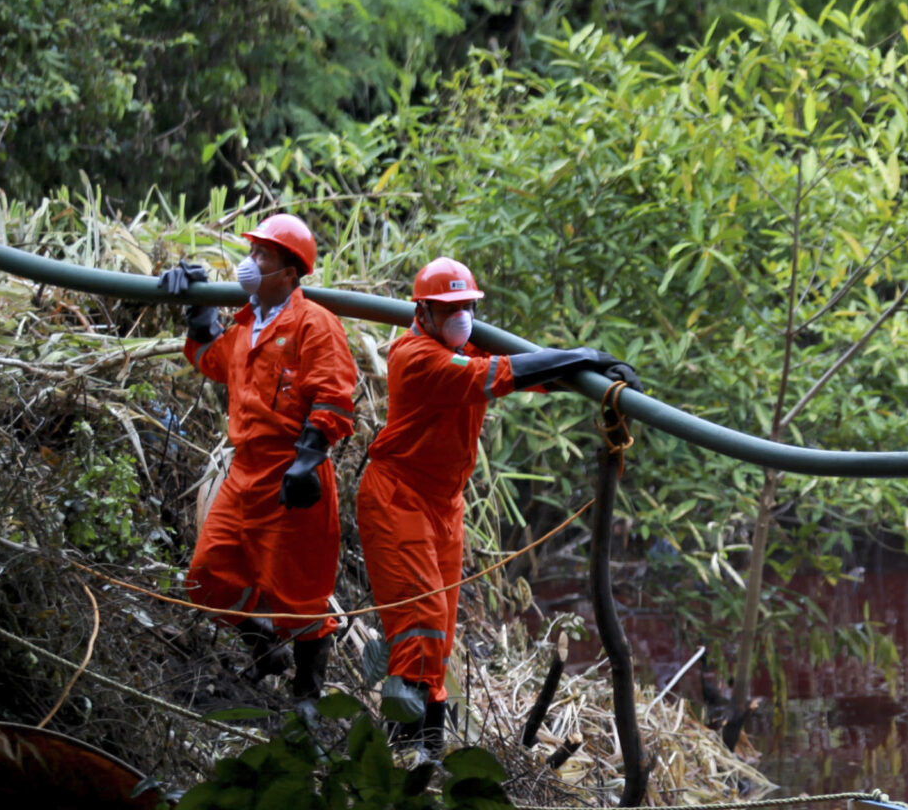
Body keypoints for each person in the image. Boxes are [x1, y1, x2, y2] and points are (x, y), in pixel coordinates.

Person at [359, 256, 635, 749]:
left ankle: (428, 750)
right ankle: (403, 749)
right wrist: (584, 355)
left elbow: (527, 375)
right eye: (450, 308)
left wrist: (593, 375)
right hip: (397, 497)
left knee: (438, 632)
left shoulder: (460, 346)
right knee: (419, 620)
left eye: (467, 306)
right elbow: (504, 373)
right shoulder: (418, 358)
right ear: (422, 311)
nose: (462, 317)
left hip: (444, 504)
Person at [156, 214, 357, 703]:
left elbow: (334, 394)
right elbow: (213, 361)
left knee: (301, 596)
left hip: (291, 475)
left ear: (290, 272)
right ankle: (264, 647)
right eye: (251, 253)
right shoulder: (246, 324)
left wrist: (309, 457)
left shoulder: (314, 323)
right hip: (245, 472)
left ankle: (306, 698)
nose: (250, 264)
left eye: (261, 256)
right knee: (207, 576)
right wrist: (197, 313)